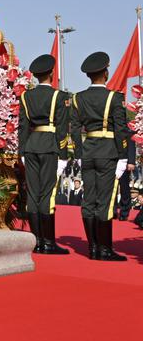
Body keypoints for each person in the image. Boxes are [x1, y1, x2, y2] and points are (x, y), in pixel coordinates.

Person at [70, 51, 131, 261]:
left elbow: (75, 130)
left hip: (87, 153)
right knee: (105, 201)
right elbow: (121, 131)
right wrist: (123, 156)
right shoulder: (115, 98)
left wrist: (78, 154)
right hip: (108, 153)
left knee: (89, 200)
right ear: (105, 73)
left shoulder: (77, 98)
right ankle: (105, 249)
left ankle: (93, 247)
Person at [18, 54, 71, 254]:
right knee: (47, 194)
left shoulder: (25, 96)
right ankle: (48, 243)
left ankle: (36, 242)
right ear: (51, 73)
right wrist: (64, 154)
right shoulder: (59, 96)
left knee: (33, 193)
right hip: (49, 146)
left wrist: (22, 151)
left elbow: (22, 127)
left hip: (31, 146)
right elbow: (62, 128)